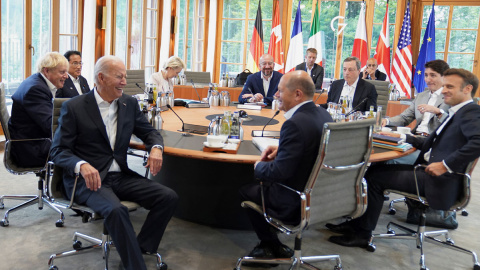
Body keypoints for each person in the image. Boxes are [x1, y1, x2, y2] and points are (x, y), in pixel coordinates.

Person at [326, 68, 480, 249]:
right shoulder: (457, 111)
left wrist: (445, 165)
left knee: (372, 178)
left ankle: (362, 234)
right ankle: (356, 224)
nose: (444, 90)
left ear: (467, 89)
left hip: (438, 180)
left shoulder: (470, 112)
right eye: (444, 85)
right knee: (374, 169)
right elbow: (433, 142)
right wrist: (403, 138)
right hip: (430, 172)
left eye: (449, 86)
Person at [50, 55, 178, 270]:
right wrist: (80, 164)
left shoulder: (129, 104)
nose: (124, 82)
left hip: (120, 176)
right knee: (116, 210)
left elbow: (150, 132)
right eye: (119, 77)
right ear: (101, 78)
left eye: (125, 76)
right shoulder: (75, 107)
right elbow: (58, 150)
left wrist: (156, 148)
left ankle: (140, 248)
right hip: (87, 180)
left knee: (168, 197)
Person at [239, 70, 333, 265]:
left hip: (295, 200)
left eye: (280, 91)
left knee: (246, 190)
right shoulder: (323, 114)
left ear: (297, 94)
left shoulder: (294, 124)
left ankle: (269, 244)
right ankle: (272, 245)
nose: (276, 95)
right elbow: (313, 146)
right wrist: (283, 148)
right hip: (322, 197)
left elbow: (279, 172)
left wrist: (258, 167)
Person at [382, 60, 451, 164]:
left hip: (431, 145)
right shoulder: (421, 96)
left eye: (433, 75)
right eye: (426, 75)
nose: (428, 79)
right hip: (413, 139)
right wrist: (386, 121)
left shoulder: (449, 98)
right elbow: (404, 118)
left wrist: (438, 112)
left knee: (389, 160)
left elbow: (452, 125)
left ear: (444, 77)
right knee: (381, 150)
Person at [9, 52, 69, 167]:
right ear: (47, 71)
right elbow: (50, 125)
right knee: (85, 150)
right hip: (32, 148)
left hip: (36, 140)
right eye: (62, 72)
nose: (66, 76)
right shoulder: (35, 89)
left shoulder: (39, 83)